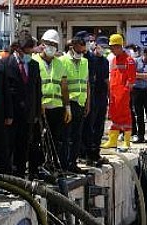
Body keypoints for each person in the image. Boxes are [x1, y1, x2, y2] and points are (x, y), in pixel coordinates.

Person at [0, 36, 43, 178]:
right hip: (11, 114)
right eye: (27, 51)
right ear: (18, 49)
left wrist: (36, 113)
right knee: (8, 146)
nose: (30, 54)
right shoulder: (5, 64)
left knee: (24, 145)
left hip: (28, 114)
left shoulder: (34, 65)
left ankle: (20, 174)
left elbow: (37, 91)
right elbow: (3, 92)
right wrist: (6, 114)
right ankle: (7, 175)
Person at [33, 29, 71, 171]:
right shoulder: (34, 61)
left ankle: (54, 164)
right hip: (41, 107)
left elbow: (64, 87)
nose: (51, 47)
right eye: (48, 43)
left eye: (54, 44)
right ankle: (39, 165)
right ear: (42, 44)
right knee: (39, 139)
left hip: (56, 107)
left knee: (56, 139)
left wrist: (67, 107)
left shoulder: (60, 64)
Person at [60, 34, 89, 173]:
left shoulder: (85, 62)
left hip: (80, 102)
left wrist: (88, 103)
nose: (81, 54)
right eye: (79, 51)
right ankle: (64, 164)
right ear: (72, 47)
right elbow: (63, 84)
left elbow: (87, 83)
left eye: (83, 51)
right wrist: (66, 106)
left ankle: (73, 163)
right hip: (68, 102)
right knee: (66, 135)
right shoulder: (63, 61)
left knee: (77, 135)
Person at [101, 33, 135, 150]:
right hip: (114, 92)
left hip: (123, 93)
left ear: (119, 46)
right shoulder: (114, 59)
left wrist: (125, 92)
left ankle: (126, 141)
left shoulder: (129, 60)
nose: (111, 50)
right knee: (114, 116)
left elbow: (131, 80)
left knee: (125, 116)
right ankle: (113, 141)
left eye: (113, 47)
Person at [81, 34, 110, 166]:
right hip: (91, 96)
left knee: (99, 127)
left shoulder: (105, 61)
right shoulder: (89, 59)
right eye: (100, 46)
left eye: (105, 47)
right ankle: (87, 154)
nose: (102, 49)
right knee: (89, 127)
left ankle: (96, 153)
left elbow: (105, 80)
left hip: (102, 96)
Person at [131, 46, 147, 144]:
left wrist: (138, 75)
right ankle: (140, 136)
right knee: (139, 114)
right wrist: (143, 76)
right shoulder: (136, 61)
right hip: (137, 90)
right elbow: (132, 74)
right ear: (146, 54)